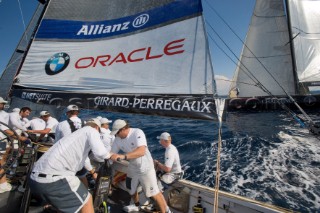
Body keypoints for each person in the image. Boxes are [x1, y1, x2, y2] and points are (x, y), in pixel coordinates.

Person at [28, 118, 111, 213]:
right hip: (54, 180)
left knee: (64, 206)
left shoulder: (73, 136)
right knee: (87, 200)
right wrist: (113, 156)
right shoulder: (92, 130)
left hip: (34, 179)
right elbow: (101, 153)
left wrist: (92, 172)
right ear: (97, 127)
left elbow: (84, 161)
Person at [110, 119, 171, 213]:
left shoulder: (137, 132)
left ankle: (166, 211)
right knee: (130, 189)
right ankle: (136, 205)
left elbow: (141, 151)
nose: (116, 135)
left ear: (123, 129)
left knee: (153, 193)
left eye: (117, 132)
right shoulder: (118, 138)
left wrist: (123, 156)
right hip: (133, 166)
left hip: (145, 167)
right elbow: (112, 153)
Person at [54, 105, 95, 185]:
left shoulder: (61, 124)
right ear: (78, 113)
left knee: (66, 179)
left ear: (67, 113)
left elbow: (57, 143)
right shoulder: (86, 124)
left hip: (66, 158)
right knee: (82, 177)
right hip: (82, 157)